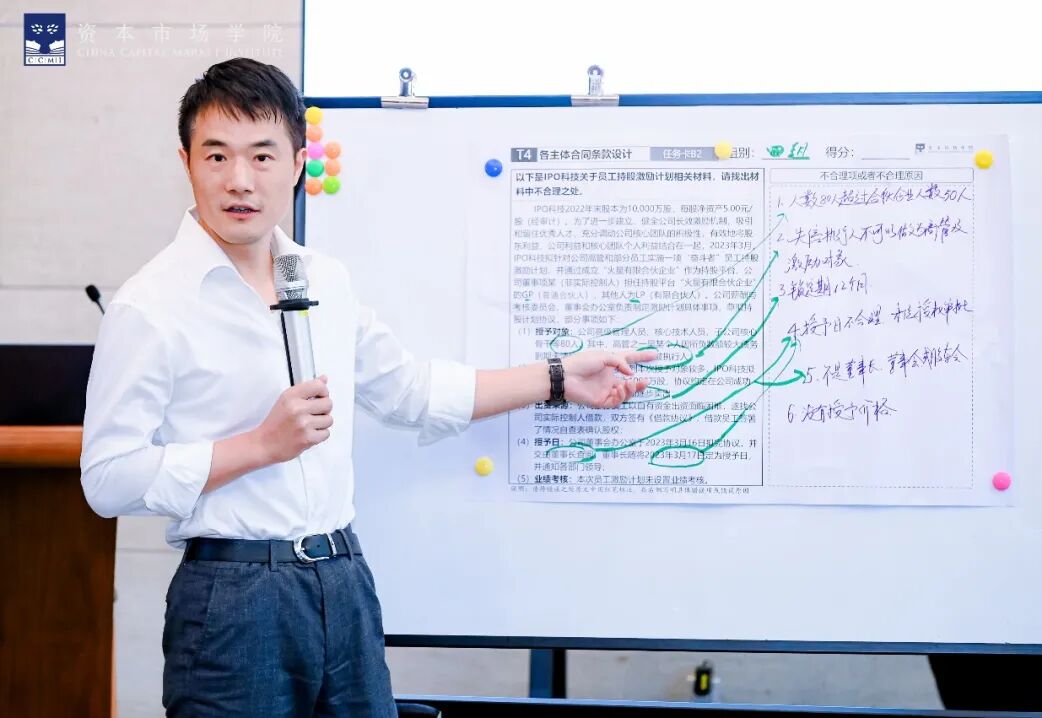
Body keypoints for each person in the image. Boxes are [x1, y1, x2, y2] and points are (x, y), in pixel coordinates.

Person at [80, 57, 655, 717]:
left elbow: (410, 391)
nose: (240, 179)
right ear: (187, 162)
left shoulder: (323, 279)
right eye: (217, 156)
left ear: (297, 165)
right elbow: (108, 479)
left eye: (262, 156)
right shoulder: (150, 305)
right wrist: (259, 446)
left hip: (343, 580)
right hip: (233, 596)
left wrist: (556, 378)